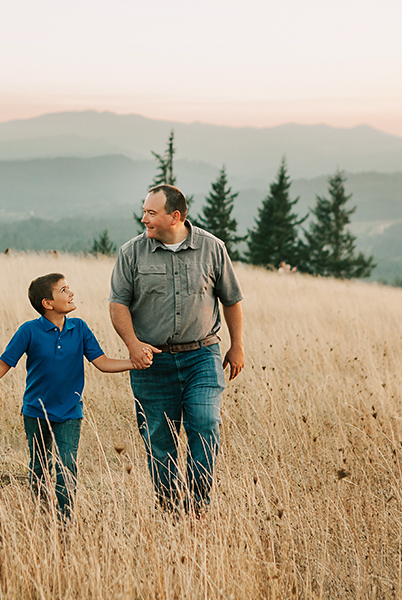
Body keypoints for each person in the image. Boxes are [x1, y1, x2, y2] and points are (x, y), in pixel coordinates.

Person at [108, 184, 245, 516]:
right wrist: (133, 345)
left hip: (202, 355)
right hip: (152, 363)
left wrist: (237, 346)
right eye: (144, 211)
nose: (144, 219)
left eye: (151, 213)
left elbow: (232, 300)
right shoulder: (131, 253)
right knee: (160, 439)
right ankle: (170, 510)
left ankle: (198, 506)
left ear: (176, 216)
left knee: (205, 422)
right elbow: (117, 305)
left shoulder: (213, 249)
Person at [0, 273, 139, 520]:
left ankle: (64, 520)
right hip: (36, 411)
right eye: (64, 290)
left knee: (66, 466)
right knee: (39, 467)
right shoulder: (29, 331)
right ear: (48, 303)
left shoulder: (80, 329)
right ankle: (42, 515)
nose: (71, 293)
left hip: (69, 411)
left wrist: (133, 362)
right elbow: (4, 364)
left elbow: (103, 362)